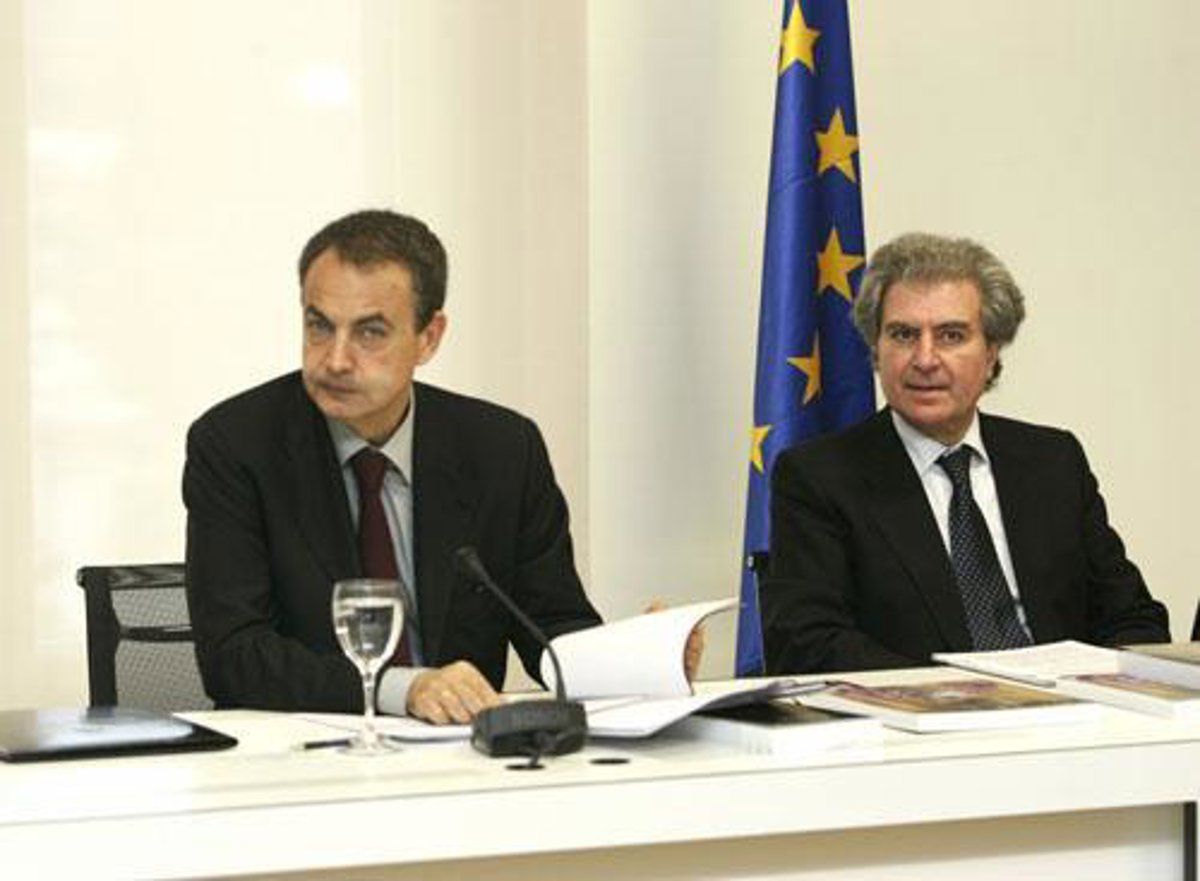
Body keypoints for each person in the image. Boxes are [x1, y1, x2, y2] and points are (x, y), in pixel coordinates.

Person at [183, 209, 602, 723]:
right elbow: (235, 657)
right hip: (301, 752)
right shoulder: (236, 445)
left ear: (429, 337)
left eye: (370, 332)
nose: (335, 360)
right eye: (319, 326)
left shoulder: (502, 449)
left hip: (458, 755)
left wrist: (645, 657)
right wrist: (402, 689)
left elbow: (552, 628)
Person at [761, 232, 1169, 674]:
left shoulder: (1054, 462)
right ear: (876, 351)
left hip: (1069, 708)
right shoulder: (819, 477)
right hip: (918, 714)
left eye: (951, 335)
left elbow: (1133, 618)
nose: (925, 359)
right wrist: (956, 694)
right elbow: (809, 642)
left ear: (991, 352)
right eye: (903, 334)